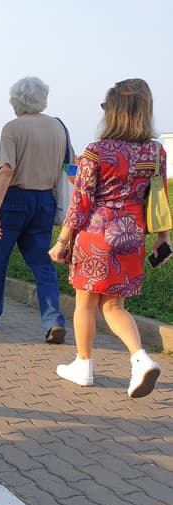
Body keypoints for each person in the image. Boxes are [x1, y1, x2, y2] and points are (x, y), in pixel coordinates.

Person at [50, 78, 168, 398]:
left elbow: (81, 201)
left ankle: (84, 365)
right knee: (114, 305)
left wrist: (62, 240)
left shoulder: (97, 151)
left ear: (113, 112)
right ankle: (140, 359)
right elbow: (159, 197)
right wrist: (162, 237)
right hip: (132, 233)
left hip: (97, 232)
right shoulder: (155, 151)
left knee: (86, 302)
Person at [0, 76, 68, 343]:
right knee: (42, 263)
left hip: (15, 201)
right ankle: (53, 319)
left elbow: (6, 171)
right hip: (45, 200)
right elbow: (67, 169)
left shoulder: (12, 128)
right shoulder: (59, 128)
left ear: (16, 100)